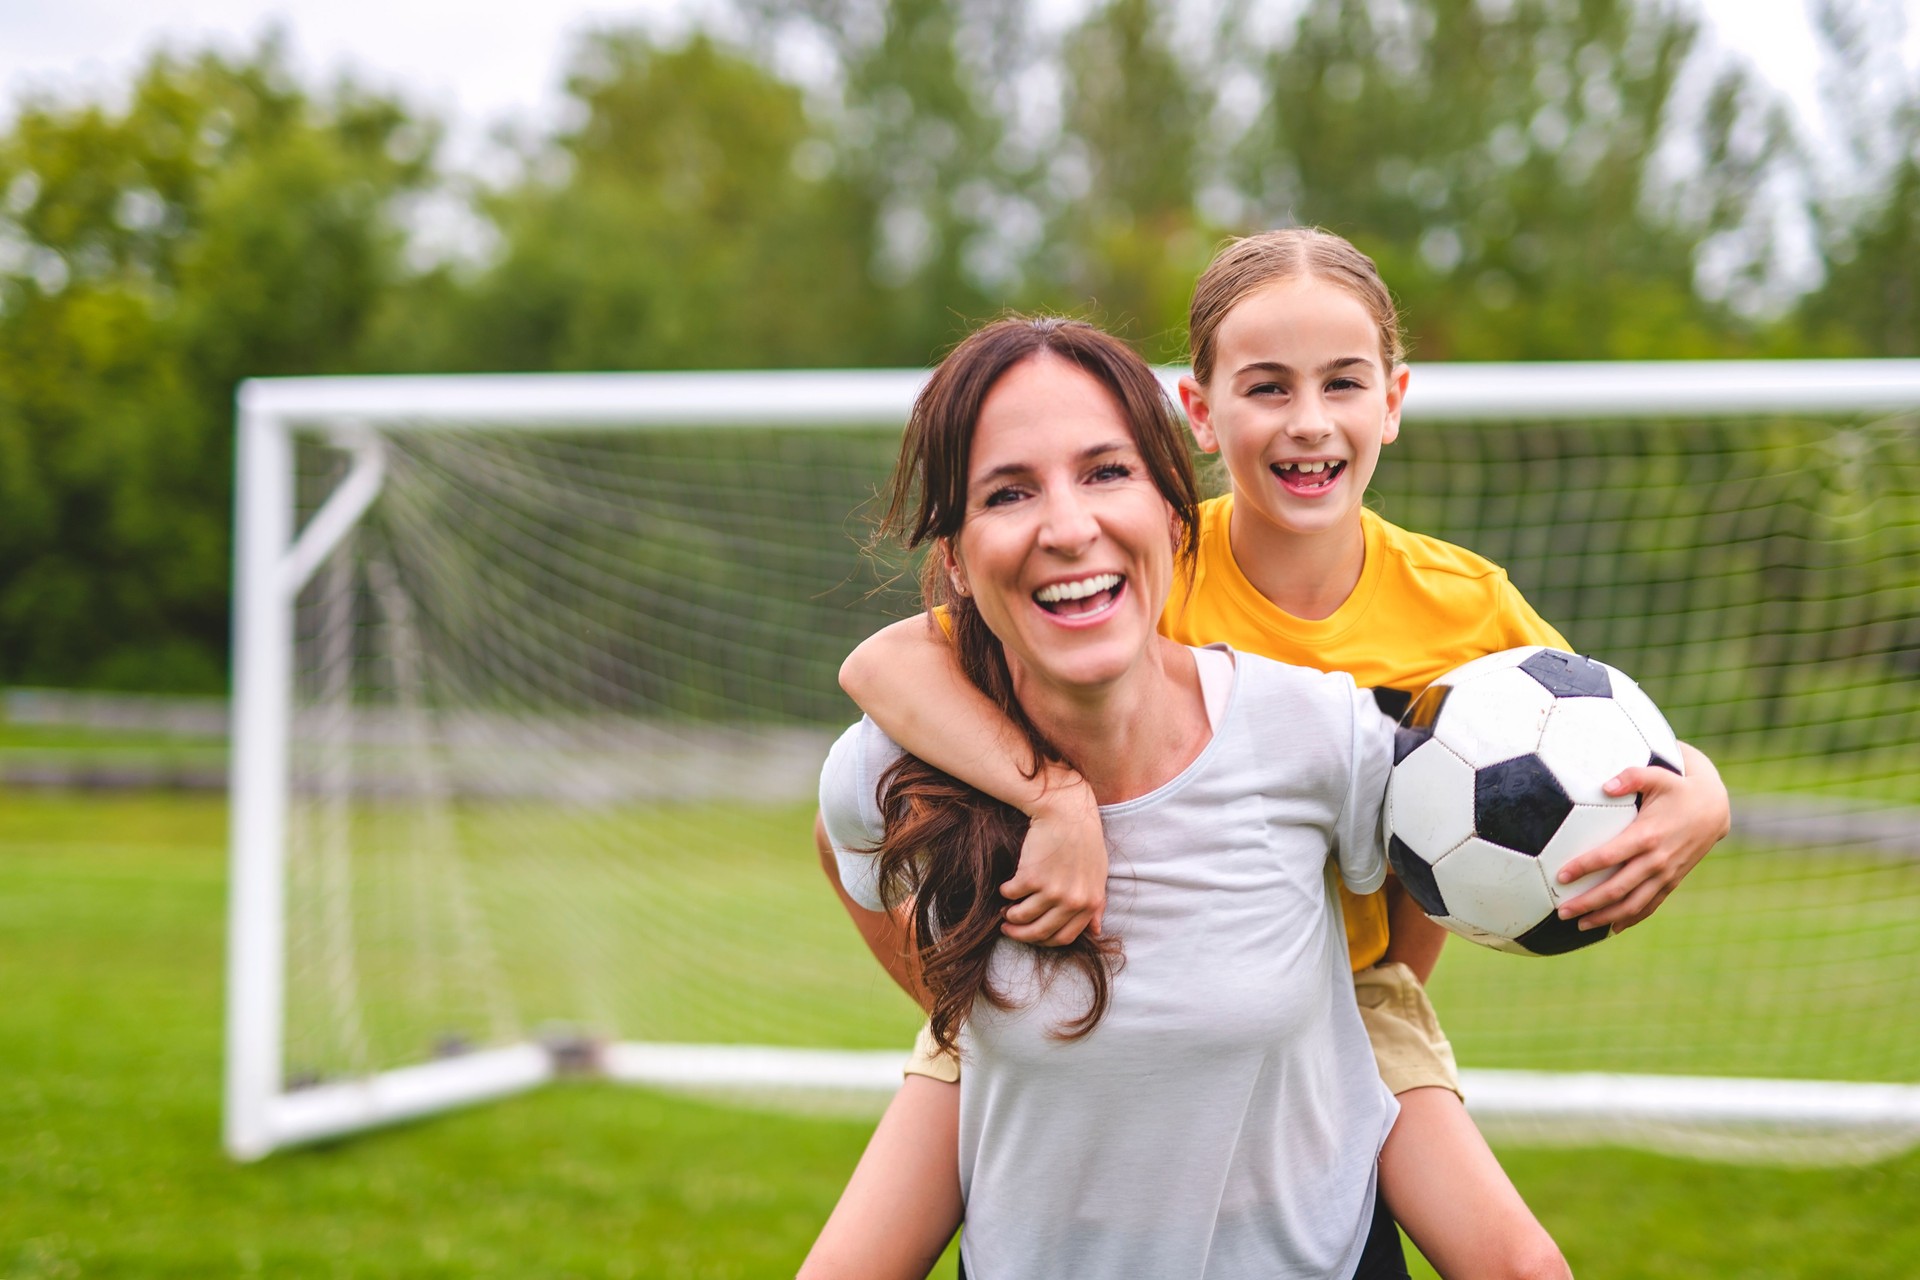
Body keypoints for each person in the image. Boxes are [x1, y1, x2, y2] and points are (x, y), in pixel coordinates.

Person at [828, 230, 1734, 1278]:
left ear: (1393, 397)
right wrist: (1056, 799)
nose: (1308, 421)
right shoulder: (1151, 560)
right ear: (1201, 413)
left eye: (1342, 382)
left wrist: (1703, 793)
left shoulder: (1468, 608)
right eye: (1267, 387)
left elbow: (1602, 749)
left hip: (1347, 990)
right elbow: (892, 663)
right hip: (1065, 948)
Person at [803, 316, 1407, 1278]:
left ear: (1175, 513)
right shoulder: (891, 768)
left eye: (1105, 472)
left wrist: (1692, 797)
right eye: (1008, 492)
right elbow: (844, 853)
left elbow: (1441, 877)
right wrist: (960, 1006)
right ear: (956, 561)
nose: (1068, 528)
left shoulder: (1316, 731)